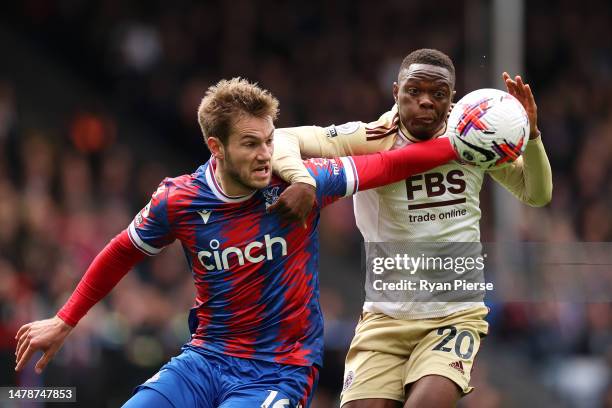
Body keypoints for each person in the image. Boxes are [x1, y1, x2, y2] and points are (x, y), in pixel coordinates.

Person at [14, 77, 461, 408]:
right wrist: (66, 319)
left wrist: (459, 146)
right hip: (206, 359)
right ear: (217, 147)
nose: (267, 154)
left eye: (269, 140)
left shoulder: (302, 183)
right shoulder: (180, 200)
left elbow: (387, 166)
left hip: (282, 368)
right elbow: (122, 251)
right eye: (251, 144)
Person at [270, 48, 553, 407]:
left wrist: (532, 136)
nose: (425, 102)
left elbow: (536, 193)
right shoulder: (370, 137)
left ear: (452, 99)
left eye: (438, 94)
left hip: (454, 314)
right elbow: (282, 138)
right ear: (395, 92)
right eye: (414, 91)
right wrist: (302, 180)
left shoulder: (472, 138)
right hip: (384, 319)